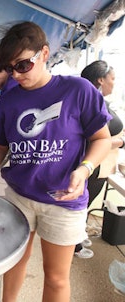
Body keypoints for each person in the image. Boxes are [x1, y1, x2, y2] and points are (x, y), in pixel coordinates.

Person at [0, 21, 111, 302]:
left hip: (63, 200)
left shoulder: (78, 90)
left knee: (57, 277)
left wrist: (84, 170)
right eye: (10, 69)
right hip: (20, 196)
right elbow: (0, 145)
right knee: (14, 263)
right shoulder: (9, 102)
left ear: (44, 54)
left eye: (23, 65)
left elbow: (102, 139)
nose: (16, 74)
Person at [74, 60, 125, 258]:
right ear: (100, 80)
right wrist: (119, 141)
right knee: (82, 204)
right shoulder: (93, 103)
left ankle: (77, 237)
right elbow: (92, 138)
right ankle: (75, 245)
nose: (114, 82)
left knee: (84, 203)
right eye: (112, 78)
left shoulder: (97, 101)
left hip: (100, 163)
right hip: (92, 163)